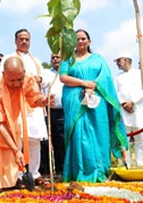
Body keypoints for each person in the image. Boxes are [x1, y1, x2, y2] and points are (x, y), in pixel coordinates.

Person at [0, 57, 54, 193]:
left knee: (13, 143)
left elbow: (34, 97)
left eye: (19, 79)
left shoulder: (27, 79)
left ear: (23, 72)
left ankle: (9, 181)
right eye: (12, 80)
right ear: (4, 74)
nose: (17, 84)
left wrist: (44, 100)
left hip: (12, 114)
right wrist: (17, 151)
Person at [59, 29, 128, 183]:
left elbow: (105, 77)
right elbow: (63, 77)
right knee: (78, 133)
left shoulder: (98, 59)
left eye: (83, 38)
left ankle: (100, 170)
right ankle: (78, 171)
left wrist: (93, 85)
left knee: (99, 133)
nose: (81, 41)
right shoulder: (68, 59)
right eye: (77, 39)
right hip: (76, 102)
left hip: (97, 102)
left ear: (89, 41)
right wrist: (83, 83)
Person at [0, 28, 51, 188]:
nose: (24, 42)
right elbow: (2, 77)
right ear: (15, 41)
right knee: (18, 138)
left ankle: (35, 173)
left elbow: (47, 79)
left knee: (35, 140)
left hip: (34, 104)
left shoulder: (35, 60)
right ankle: (19, 174)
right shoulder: (9, 58)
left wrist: (40, 78)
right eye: (21, 39)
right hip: (16, 103)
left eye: (27, 39)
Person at [114, 52, 143, 168]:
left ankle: (141, 164)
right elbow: (115, 93)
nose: (117, 63)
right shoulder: (117, 77)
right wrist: (124, 104)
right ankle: (127, 165)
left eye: (118, 60)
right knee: (123, 140)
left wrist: (133, 102)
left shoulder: (139, 73)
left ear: (126, 60)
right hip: (123, 111)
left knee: (140, 139)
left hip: (138, 110)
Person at [40, 53, 65, 177]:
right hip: (48, 111)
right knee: (45, 142)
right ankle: (46, 172)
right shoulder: (46, 74)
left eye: (58, 57)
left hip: (63, 112)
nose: (55, 60)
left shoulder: (66, 73)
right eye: (53, 58)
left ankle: (61, 170)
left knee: (60, 141)